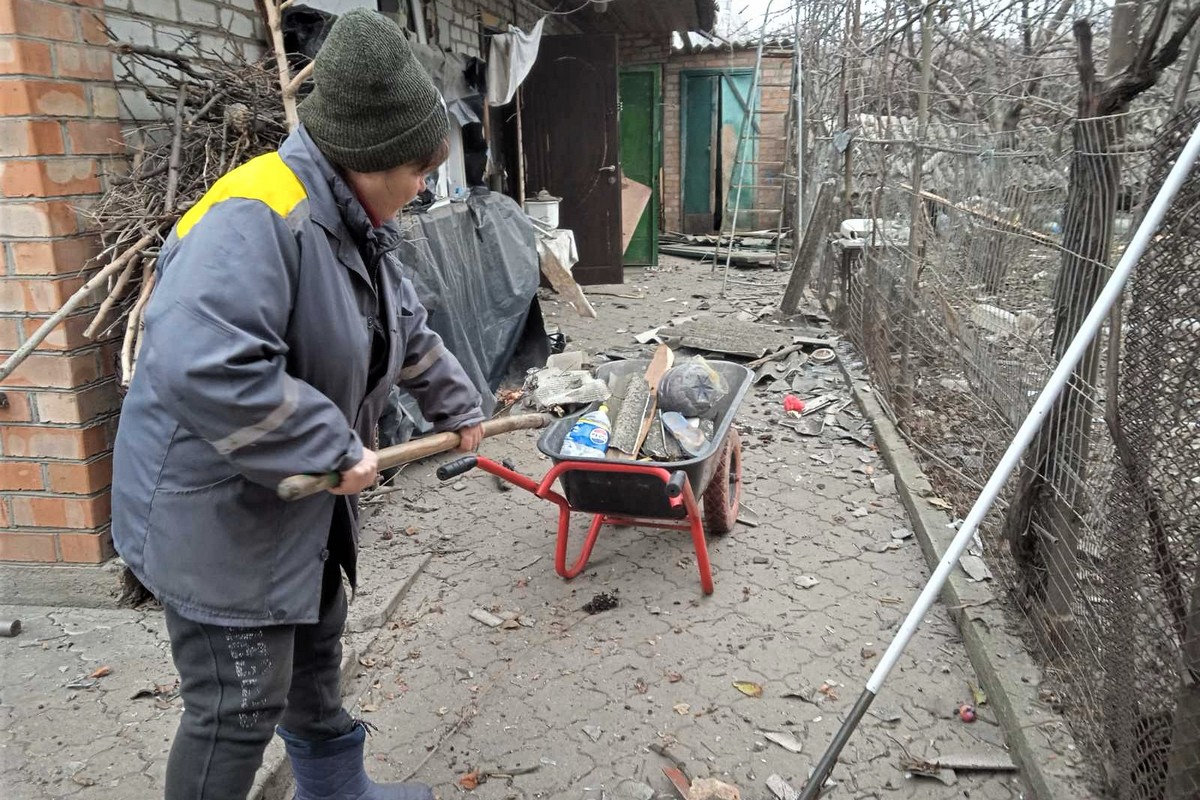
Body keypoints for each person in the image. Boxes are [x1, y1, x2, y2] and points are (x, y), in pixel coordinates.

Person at [111, 10, 484, 800]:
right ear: (369, 153)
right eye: (418, 170)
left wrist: (458, 406)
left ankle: (335, 790)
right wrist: (327, 443)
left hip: (290, 504)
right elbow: (200, 363)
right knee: (238, 705)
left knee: (317, 641)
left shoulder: (352, 221)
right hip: (215, 513)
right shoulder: (259, 213)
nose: (424, 188)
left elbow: (401, 326)